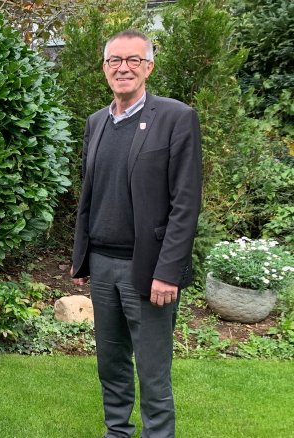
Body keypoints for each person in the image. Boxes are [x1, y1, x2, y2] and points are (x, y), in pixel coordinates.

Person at [71, 30, 202, 438]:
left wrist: (167, 271)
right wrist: (83, 257)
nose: (122, 68)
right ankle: (117, 432)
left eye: (133, 60)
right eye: (114, 60)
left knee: (152, 369)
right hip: (104, 265)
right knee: (110, 364)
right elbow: (91, 195)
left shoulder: (175, 117)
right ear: (105, 67)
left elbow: (186, 203)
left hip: (147, 269)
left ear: (149, 67)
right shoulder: (97, 122)